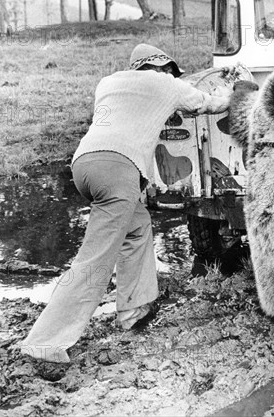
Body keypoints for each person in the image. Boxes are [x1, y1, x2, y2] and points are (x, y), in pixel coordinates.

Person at [19, 44, 231, 364]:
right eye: (170, 71)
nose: (171, 76)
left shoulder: (108, 83)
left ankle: (134, 307)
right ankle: (45, 341)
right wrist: (237, 90)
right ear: (161, 66)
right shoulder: (164, 83)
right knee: (96, 257)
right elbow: (209, 104)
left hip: (84, 167)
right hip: (118, 172)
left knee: (137, 226)